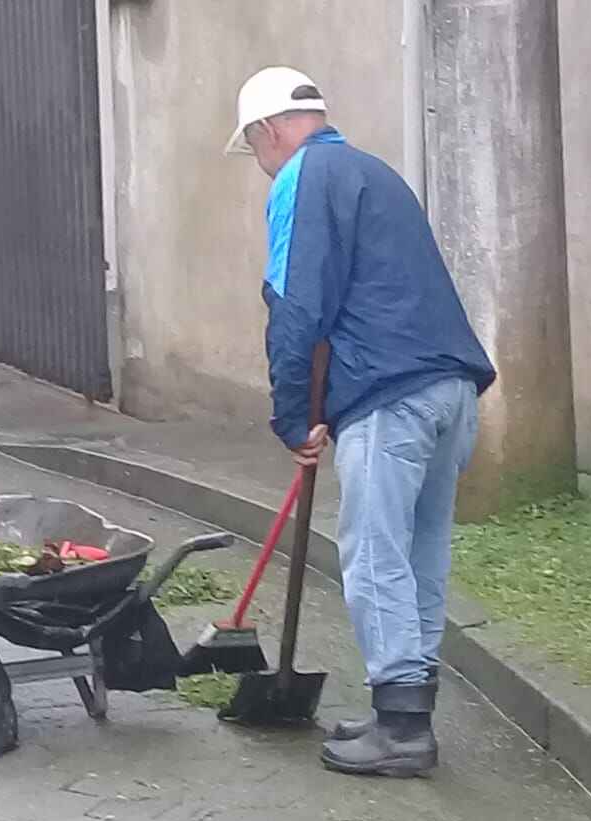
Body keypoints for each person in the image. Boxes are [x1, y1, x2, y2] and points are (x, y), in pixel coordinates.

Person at [226, 67, 496, 777]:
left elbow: (296, 307)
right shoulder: (373, 172)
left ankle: (403, 732)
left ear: (269, 130)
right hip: (452, 389)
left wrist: (293, 419)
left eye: (255, 149)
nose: (261, 164)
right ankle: (402, 708)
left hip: (391, 397)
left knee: (374, 556)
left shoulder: (302, 179)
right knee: (419, 551)